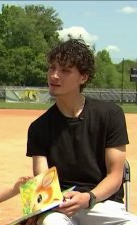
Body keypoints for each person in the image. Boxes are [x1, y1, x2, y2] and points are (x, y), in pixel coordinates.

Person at [26, 38, 137, 225]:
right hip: (60, 207)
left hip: (102, 202)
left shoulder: (111, 114)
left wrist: (88, 197)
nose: (54, 75)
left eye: (65, 70)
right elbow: (43, 182)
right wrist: (40, 208)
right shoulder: (38, 127)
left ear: (83, 77)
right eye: (52, 68)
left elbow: (115, 176)